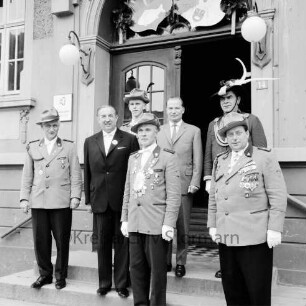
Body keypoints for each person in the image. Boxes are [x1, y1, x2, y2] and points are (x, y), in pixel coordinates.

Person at [207, 112, 287, 306]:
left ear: (247, 134)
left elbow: (278, 194)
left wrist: (275, 228)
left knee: (256, 291)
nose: (234, 138)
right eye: (230, 135)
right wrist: (212, 224)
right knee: (233, 290)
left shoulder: (263, 157)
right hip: (227, 234)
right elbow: (214, 196)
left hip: (254, 235)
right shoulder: (220, 159)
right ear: (225, 139)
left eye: (238, 133)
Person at [204, 78, 267, 278]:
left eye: (229, 97)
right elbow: (208, 154)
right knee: (222, 221)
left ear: (238, 99)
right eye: (222, 99)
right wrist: (208, 179)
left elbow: (261, 151)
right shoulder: (214, 124)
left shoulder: (251, 120)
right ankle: (226, 266)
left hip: (246, 183)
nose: (225, 102)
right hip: (220, 183)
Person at [121, 113, 181, 306]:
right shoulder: (133, 158)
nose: (143, 134)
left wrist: (169, 223)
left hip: (156, 224)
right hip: (135, 222)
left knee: (157, 272)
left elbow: (173, 195)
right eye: (140, 130)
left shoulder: (167, 158)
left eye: (147, 129)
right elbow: (128, 191)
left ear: (156, 131)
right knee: (136, 269)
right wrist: (125, 218)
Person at [19, 108, 82, 290]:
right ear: (42, 127)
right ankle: (45, 275)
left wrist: (75, 196)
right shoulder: (32, 146)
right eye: (48, 126)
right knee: (41, 241)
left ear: (59, 125)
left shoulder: (69, 147)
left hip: (62, 201)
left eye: (55, 125)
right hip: (39, 201)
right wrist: (24, 198)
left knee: (62, 241)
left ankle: (61, 276)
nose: (52, 129)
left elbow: (76, 175)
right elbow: (27, 176)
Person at [83, 105, 139, 298]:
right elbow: (87, 173)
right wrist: (88, 199)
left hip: (122, 200)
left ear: (117, 118)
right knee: (103, 244)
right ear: (98, 119)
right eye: (103, 116)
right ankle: (104, 283)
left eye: (110, 116)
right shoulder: (90, 141)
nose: (106, 119)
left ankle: (122, 284)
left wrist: (133, 198)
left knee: (123, 244)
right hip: (99, 199)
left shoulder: (130, 139)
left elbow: (135, 170)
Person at [157, 97, 203, 277]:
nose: (173, 111)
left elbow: (197, 158)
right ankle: (165, 261)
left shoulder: (193, 131)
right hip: (163, 186)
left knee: (183, 227)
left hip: (184, 185)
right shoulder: (159, 131)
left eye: (177, 108)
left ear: (183, 110)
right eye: (170, 108)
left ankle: (181, 262)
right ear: (166, 110)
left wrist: (195, 181)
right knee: (165, 224)